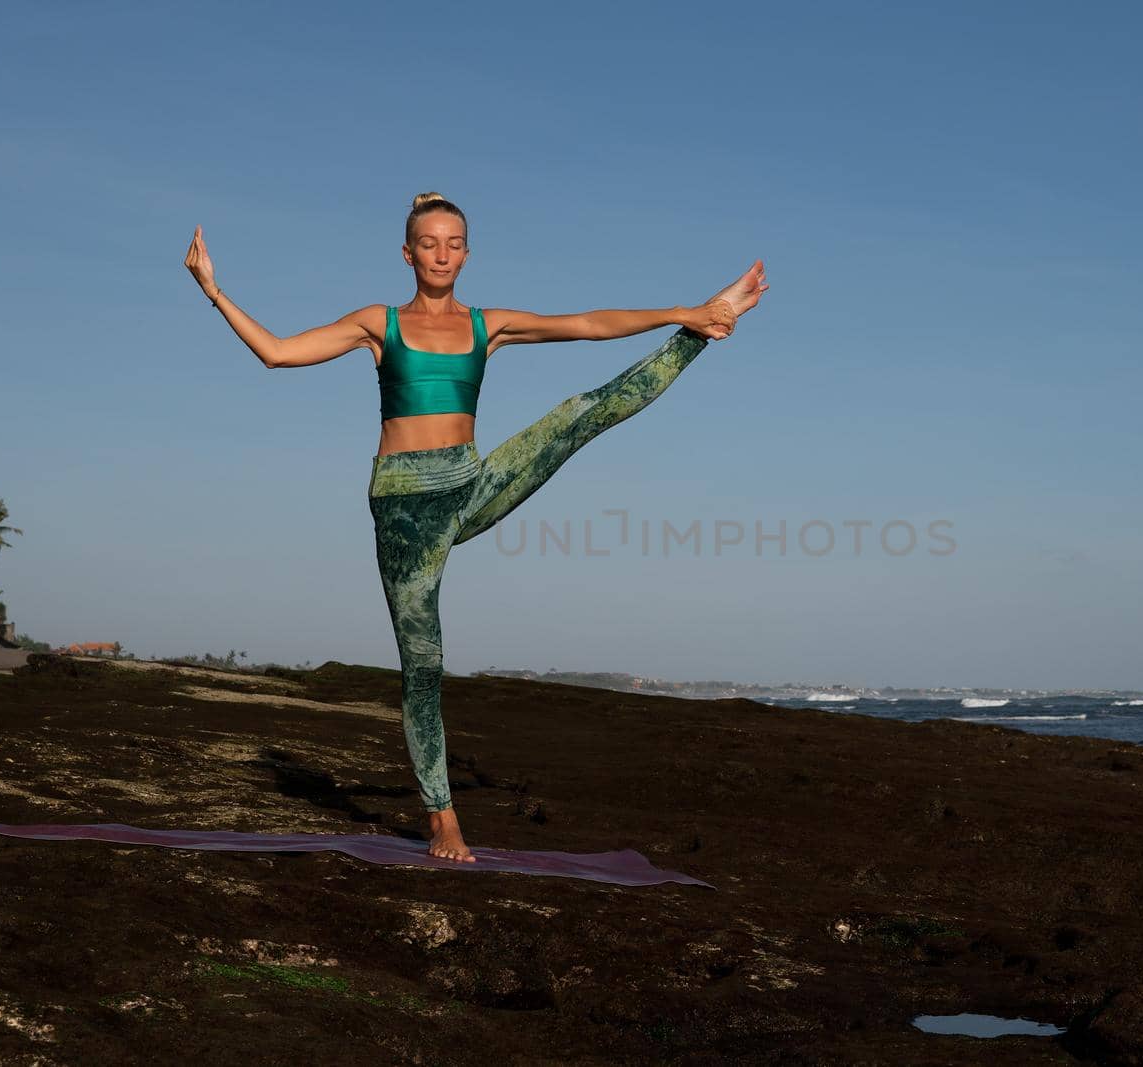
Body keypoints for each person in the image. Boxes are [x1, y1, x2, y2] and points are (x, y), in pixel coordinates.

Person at [183, 191, 768, 861]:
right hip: (404, 506)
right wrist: (213, 289)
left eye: (452, 242)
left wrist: (686, 312)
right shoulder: (380, 323)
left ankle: (704, 332)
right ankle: (442, 820)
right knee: (424, 662)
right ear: (408, 253)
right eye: (428, 243)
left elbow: (587, 323)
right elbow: (278, 353)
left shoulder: (488, 325)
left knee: (581, 412)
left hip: (469, 482)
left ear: (465, 253)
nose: (440, 253)